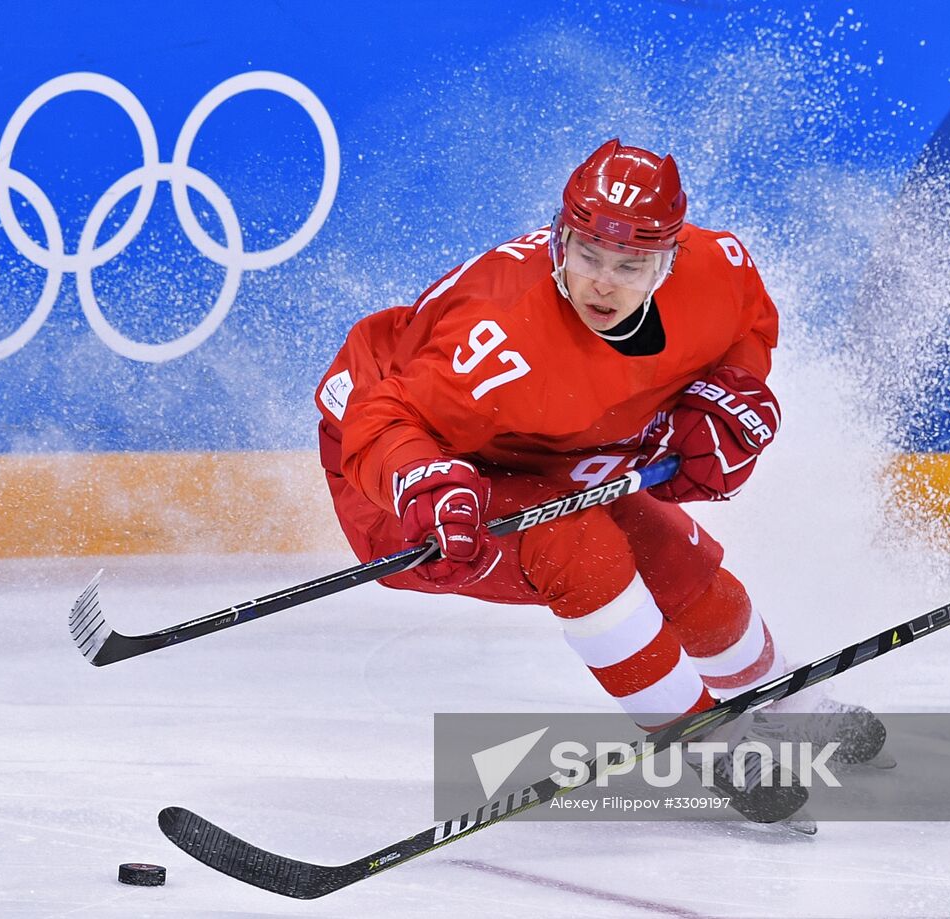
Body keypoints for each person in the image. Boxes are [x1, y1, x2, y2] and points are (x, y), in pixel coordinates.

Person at [313, 138, 885, 824]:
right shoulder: (500, 335)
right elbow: (383, 418)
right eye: (587, 255)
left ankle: (787, 700)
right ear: (559, 237)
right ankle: (713, 743)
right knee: (576, 545)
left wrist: (726, 396)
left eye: (630, 264)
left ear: (668, 259)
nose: (603, 283)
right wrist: (424, 483)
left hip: (548, 452)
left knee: (672, 557)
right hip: (398, 475)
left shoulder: (716, 271)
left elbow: (748, 326)